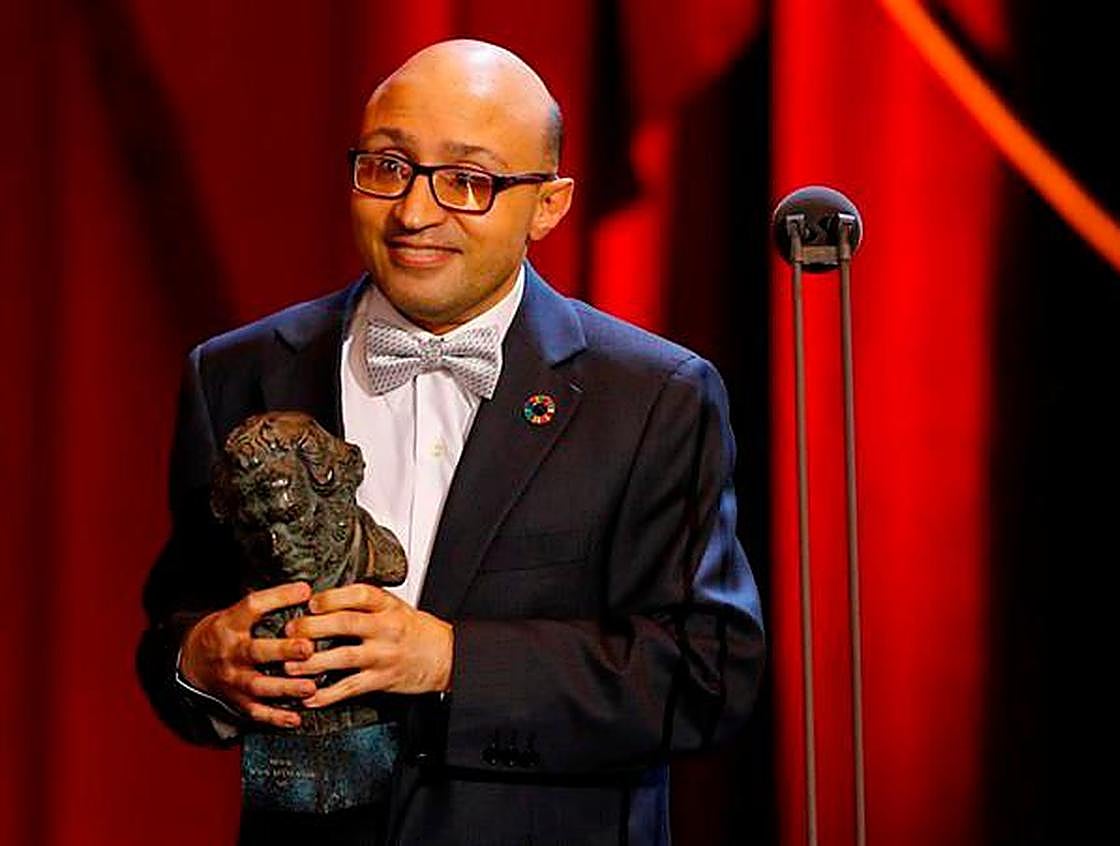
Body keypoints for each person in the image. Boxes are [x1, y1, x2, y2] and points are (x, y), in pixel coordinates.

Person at [138, 38, 765, 846]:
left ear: (549, 205)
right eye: (388, 167)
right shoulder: (236, 373)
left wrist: (448, 662)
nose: (414, 213)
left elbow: (705, 676)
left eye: (468, 180)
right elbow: (174, 629)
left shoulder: (654, 396)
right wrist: (199, 661)